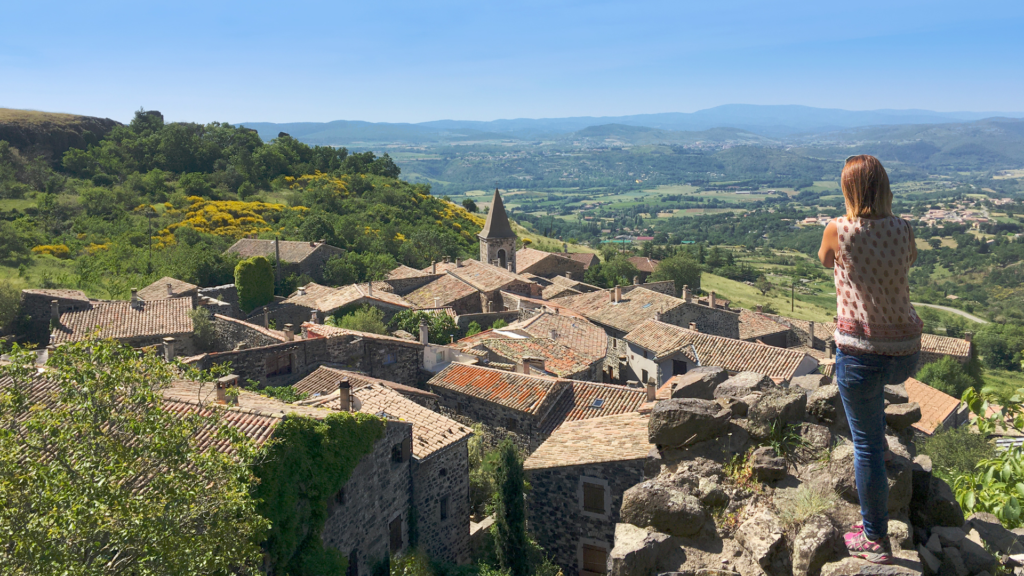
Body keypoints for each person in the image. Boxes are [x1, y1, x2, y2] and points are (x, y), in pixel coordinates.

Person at [818, 155, 923, 565]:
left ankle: (875, 539)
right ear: (884, 187)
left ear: (850, 190)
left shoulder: (838, 229)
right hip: (906, 352)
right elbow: (909, 259)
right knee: (872, 415)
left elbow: (826, 260)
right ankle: (882, 447)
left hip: (861, 353)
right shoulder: (903, 227)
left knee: (861, 445)